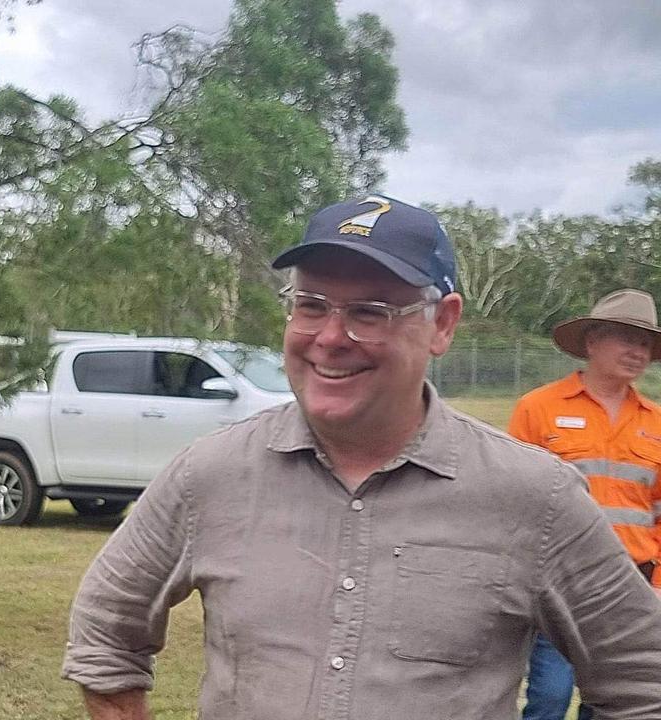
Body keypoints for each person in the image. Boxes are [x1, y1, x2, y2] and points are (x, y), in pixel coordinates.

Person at [61, 195, 661, 719]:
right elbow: (105, 629)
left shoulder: (537, 499)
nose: (328, 336)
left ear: (442, 325)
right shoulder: (209, 475)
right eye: (311, 304)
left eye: (370, 312)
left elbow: (641, 678)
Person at [509, 288, 661, 720]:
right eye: (625, 338)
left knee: (616, 704)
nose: (637, 351)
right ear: (592, 341)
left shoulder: (657, 423)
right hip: (558, 581)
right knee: (550, 697)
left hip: (633, 587)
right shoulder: (538, 408)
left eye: (645, 342)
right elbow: (513, 499)